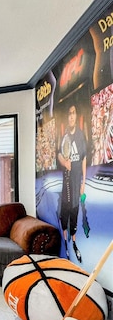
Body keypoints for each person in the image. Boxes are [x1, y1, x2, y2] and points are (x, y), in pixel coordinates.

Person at [57, 104, 87, 262]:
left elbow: (83, 159)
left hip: (76, 185)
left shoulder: (80, 136)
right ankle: (65, 245)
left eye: (73, 113)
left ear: (76, 116)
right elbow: (59, 154)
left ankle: (74, 244)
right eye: (69, 113)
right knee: (64, 216)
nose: (71, 116)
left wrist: (83, 183)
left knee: (74, 217)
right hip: (66, 185)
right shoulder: (65, 136)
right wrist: (64, 162)